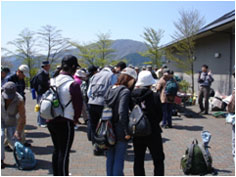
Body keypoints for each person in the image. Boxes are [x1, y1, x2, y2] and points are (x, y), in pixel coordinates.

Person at [47, 55, 83, 176]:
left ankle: (56, 173)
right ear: (73, 67)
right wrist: (76, 119)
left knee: (57, 149)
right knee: (64, 152)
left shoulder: (52, 80)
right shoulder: (72, 84)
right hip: (65, 121)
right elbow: (78, 105)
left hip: (51, 118)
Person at [104, 67, 137, 176]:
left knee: (110, 156)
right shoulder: (125, 91)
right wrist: (126, 131)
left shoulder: (110, 88)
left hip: (108, 128)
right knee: (119, 157)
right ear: (130, 79)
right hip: (119, 128)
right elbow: (122, 111)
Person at [131, 70, 165, 176]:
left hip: (137, 131)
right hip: (153, 131)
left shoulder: (131, 96)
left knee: (138, 159)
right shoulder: (154, 96)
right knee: (158, 159)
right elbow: (160, 114)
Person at [87, 66, 117, 155]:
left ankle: (96, 146)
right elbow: (113, 90)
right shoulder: (111, 76)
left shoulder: (94, 76)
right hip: (104, 104)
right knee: (105, 126)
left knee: (94, 126)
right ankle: (105, 146)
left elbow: (89, 92)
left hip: (92, 102)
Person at [1, 82, 26, 169]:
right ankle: (1, 160)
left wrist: (18, 131)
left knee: (15, 141)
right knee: (1, 136)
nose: (8, 99)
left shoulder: (19, 99)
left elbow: (22, 116)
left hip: (12, 120)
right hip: (1, 118)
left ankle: (20, 160)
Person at [33, 61, 51, 128]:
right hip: (41, 92)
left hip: (44, 92)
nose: (49, 66)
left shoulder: (45, 72)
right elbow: (42, 83)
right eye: (48, 65)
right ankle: (41, 122)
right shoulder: (41, 73)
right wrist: (49, 84)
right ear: (45, 66)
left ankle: (41, 121)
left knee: (42, 106)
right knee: (40, 107)